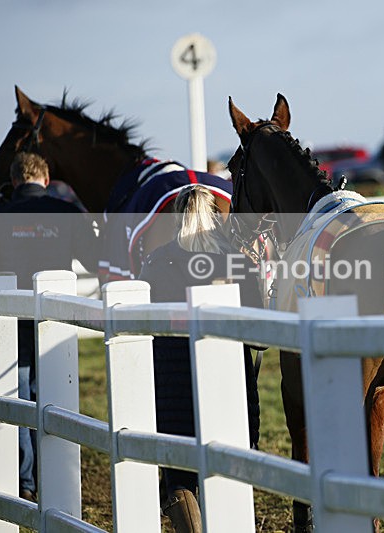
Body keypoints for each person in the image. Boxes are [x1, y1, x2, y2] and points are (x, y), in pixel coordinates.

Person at [0, 152, 99, 502]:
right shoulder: (67, 213)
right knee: (54, 394)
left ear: (13, 182)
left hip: (8, 321)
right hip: (53, 319)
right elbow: (94, 259)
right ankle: (54, 473)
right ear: (46, 178)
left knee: (19, 395)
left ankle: (24, 480)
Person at [138, 185, 262, 533]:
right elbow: (261, 337)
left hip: (171, 384)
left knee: (179, 475)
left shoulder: (156, 262)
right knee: (227, 469)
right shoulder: (237, 261)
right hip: (229, 387)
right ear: (215, 217)